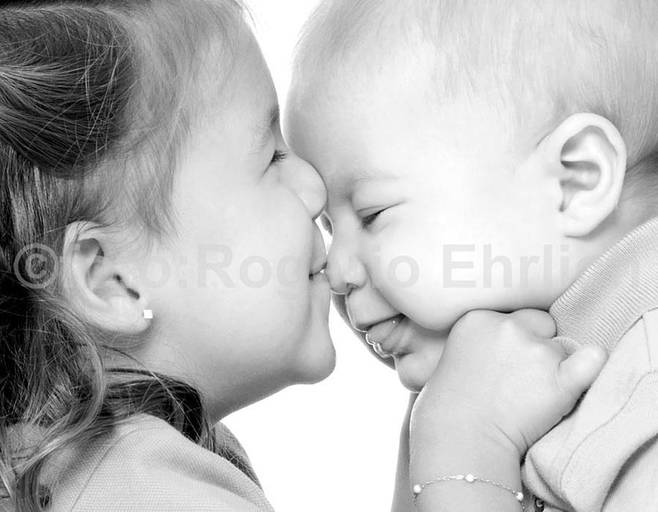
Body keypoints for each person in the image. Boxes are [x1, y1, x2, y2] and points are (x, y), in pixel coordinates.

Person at [0, 1, 603, 511]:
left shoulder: (102, 471)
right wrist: (469, 442)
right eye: (271, 156)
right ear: (114, 280)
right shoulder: (142, 495)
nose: (314, 188)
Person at [287, 0, 658, 510]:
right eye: (328, 226)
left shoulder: (644, 386)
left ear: (575, 182)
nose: (335, 272)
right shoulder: (465, 387)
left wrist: (468, 453)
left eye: (372, 214)